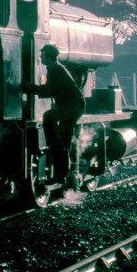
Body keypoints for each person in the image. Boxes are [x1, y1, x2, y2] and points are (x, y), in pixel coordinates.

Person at [21, 44, 86, 179]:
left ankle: (56, 147)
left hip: (73, 105)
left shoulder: (56, 69)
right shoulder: (55, 68)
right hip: (71, 105)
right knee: (65, 134)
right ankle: (64, 169)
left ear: (48, 56)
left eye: (42, 54)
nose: (40, 57)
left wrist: (29, 88)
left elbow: (49, 90)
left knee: (49, 116)